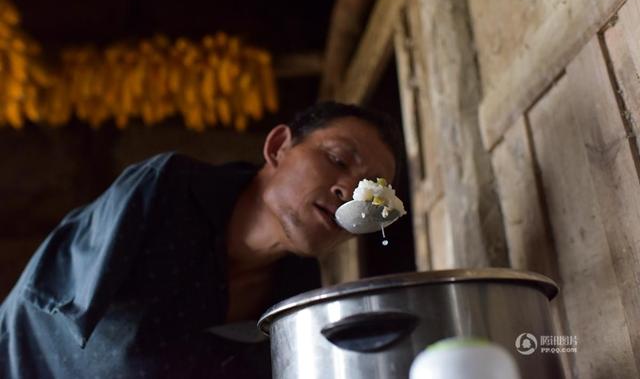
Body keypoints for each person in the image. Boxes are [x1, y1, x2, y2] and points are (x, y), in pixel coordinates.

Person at [0, 101, 403, 378]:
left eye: (370, 193)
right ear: (278, 147)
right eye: (336, 159)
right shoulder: (166, 194)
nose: (349, 191)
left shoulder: (296, 300)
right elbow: (54, 308)